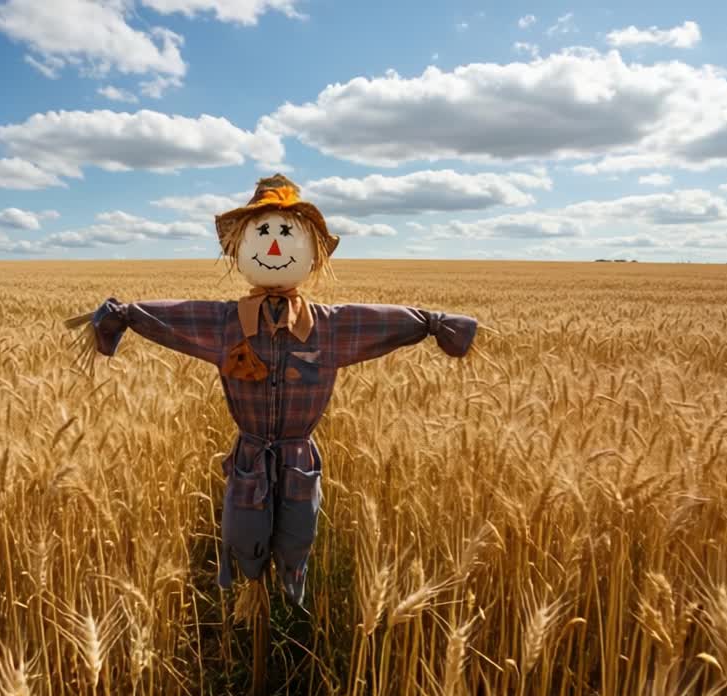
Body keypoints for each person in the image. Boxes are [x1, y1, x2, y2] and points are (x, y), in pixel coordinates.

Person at [69, 174, 478, 606]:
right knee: (243, 534)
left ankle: (284, 590)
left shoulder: (329, 326)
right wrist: (126, 316)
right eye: (263, 235)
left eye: (288, 236)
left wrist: (433, 324)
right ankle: (250, 590)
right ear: (239, 250)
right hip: (250, 455)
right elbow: (177, 317)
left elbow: (382, 321)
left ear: (314, 255)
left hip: (297, 453)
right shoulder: (226, 324)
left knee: (297, 535)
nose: (277, 248)